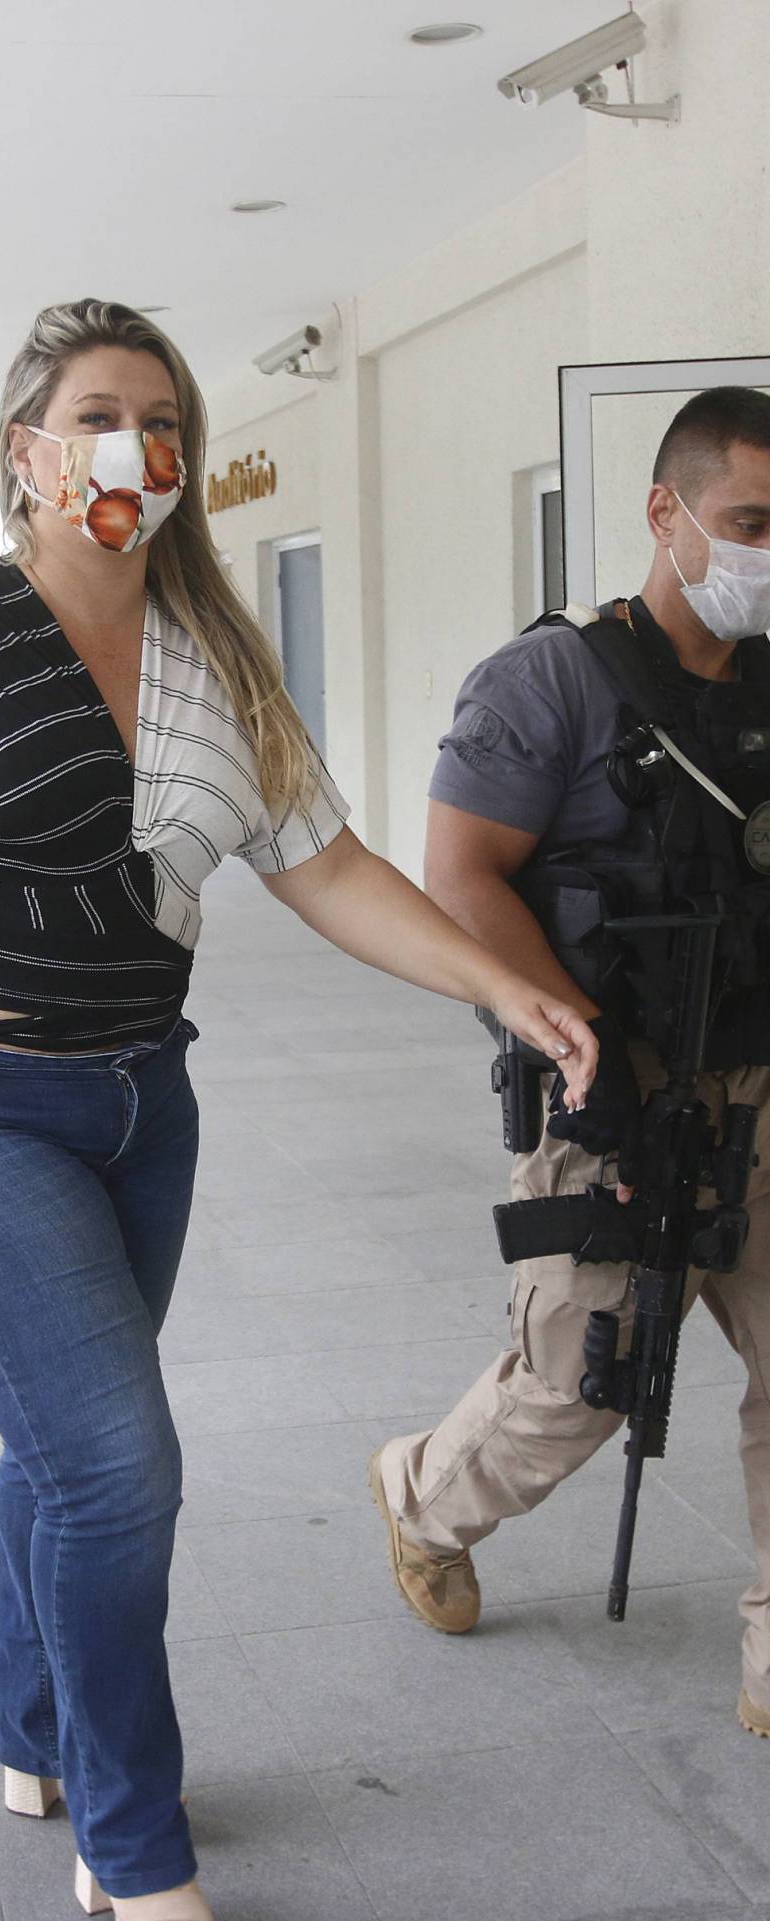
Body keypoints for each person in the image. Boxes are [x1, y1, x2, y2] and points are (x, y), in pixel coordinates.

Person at [0, 298, 597, 1920]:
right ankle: (132, 1840)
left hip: (138, 1106)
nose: (140, 446)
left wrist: (496, 980)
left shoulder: (217, 656)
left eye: (164, 417)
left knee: (63, 1446)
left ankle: (36, 1733)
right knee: (117, 1461)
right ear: (28, 454)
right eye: (103, 413)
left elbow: (323, 865)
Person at [369, 385, 770, 1743]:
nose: (769, 551)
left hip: (759, 1084)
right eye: (751, 522)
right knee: (580, 1382)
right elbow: (458, 872)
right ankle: (425, 1495)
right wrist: (558, 1026)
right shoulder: (551, 679)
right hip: (615, 1091)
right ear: (668, 514)